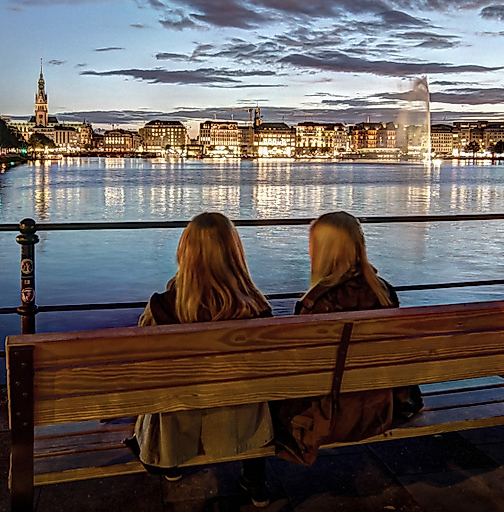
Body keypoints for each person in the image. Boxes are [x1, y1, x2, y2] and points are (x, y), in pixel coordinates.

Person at [125, 212, 274, 507]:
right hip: (243, 419)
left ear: (184, 252)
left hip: (177, 419)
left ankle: (171, 463)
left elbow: (142, 366)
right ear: (235, 253)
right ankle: (255, 480)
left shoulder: (162, 308)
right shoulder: (258, 309)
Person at [273, 211, 422, 466]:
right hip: (377, 410)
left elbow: (303, 372)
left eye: (311, 244)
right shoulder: (383, 292)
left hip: (332, 417)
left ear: (322, 250)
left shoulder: (316, 304)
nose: (308, 251)